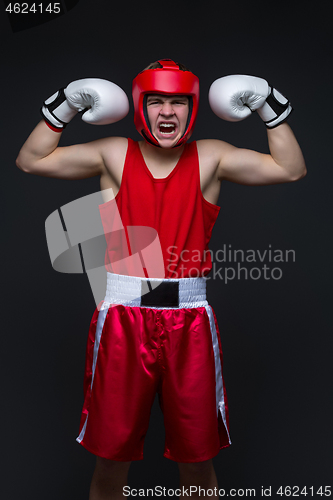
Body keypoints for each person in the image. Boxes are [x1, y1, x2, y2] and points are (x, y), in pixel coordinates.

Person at [16, 59, 306, 499]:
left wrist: (268, 103)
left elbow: (290, 168)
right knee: (110, 462)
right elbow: (30, 160)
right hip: (122, 322)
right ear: (139, 107)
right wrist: (66, 104)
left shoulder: (211, 156)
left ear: (191, 109)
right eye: (156, 102)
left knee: (197, 463)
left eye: (177, 102)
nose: (167, 112)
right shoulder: (113, 153)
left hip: (189, 323)